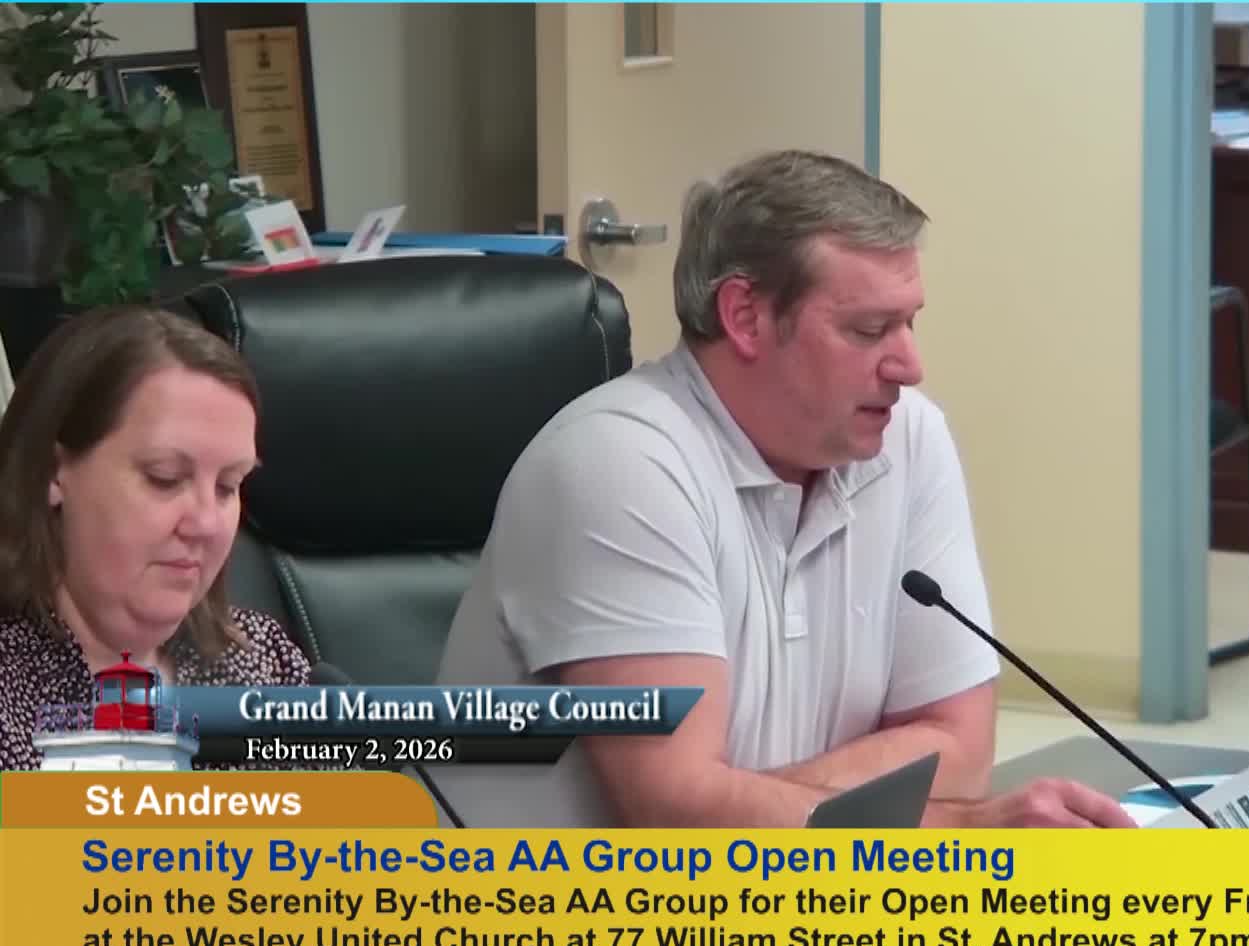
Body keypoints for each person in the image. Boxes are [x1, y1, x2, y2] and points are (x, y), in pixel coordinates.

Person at [438, 149, 1134, 829]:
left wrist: (743, 799)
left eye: (910, 321)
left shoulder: (906, 437)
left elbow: (960, 749)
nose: (910, 365)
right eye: (869, 330)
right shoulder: (618, 462)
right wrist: (959, 827)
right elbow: (677, 819)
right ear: (745, 317)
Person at [0, 307, 311, 770]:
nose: (206, 522)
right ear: (52, 473)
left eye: (228, 486)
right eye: (165, 478)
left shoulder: (265, 663)